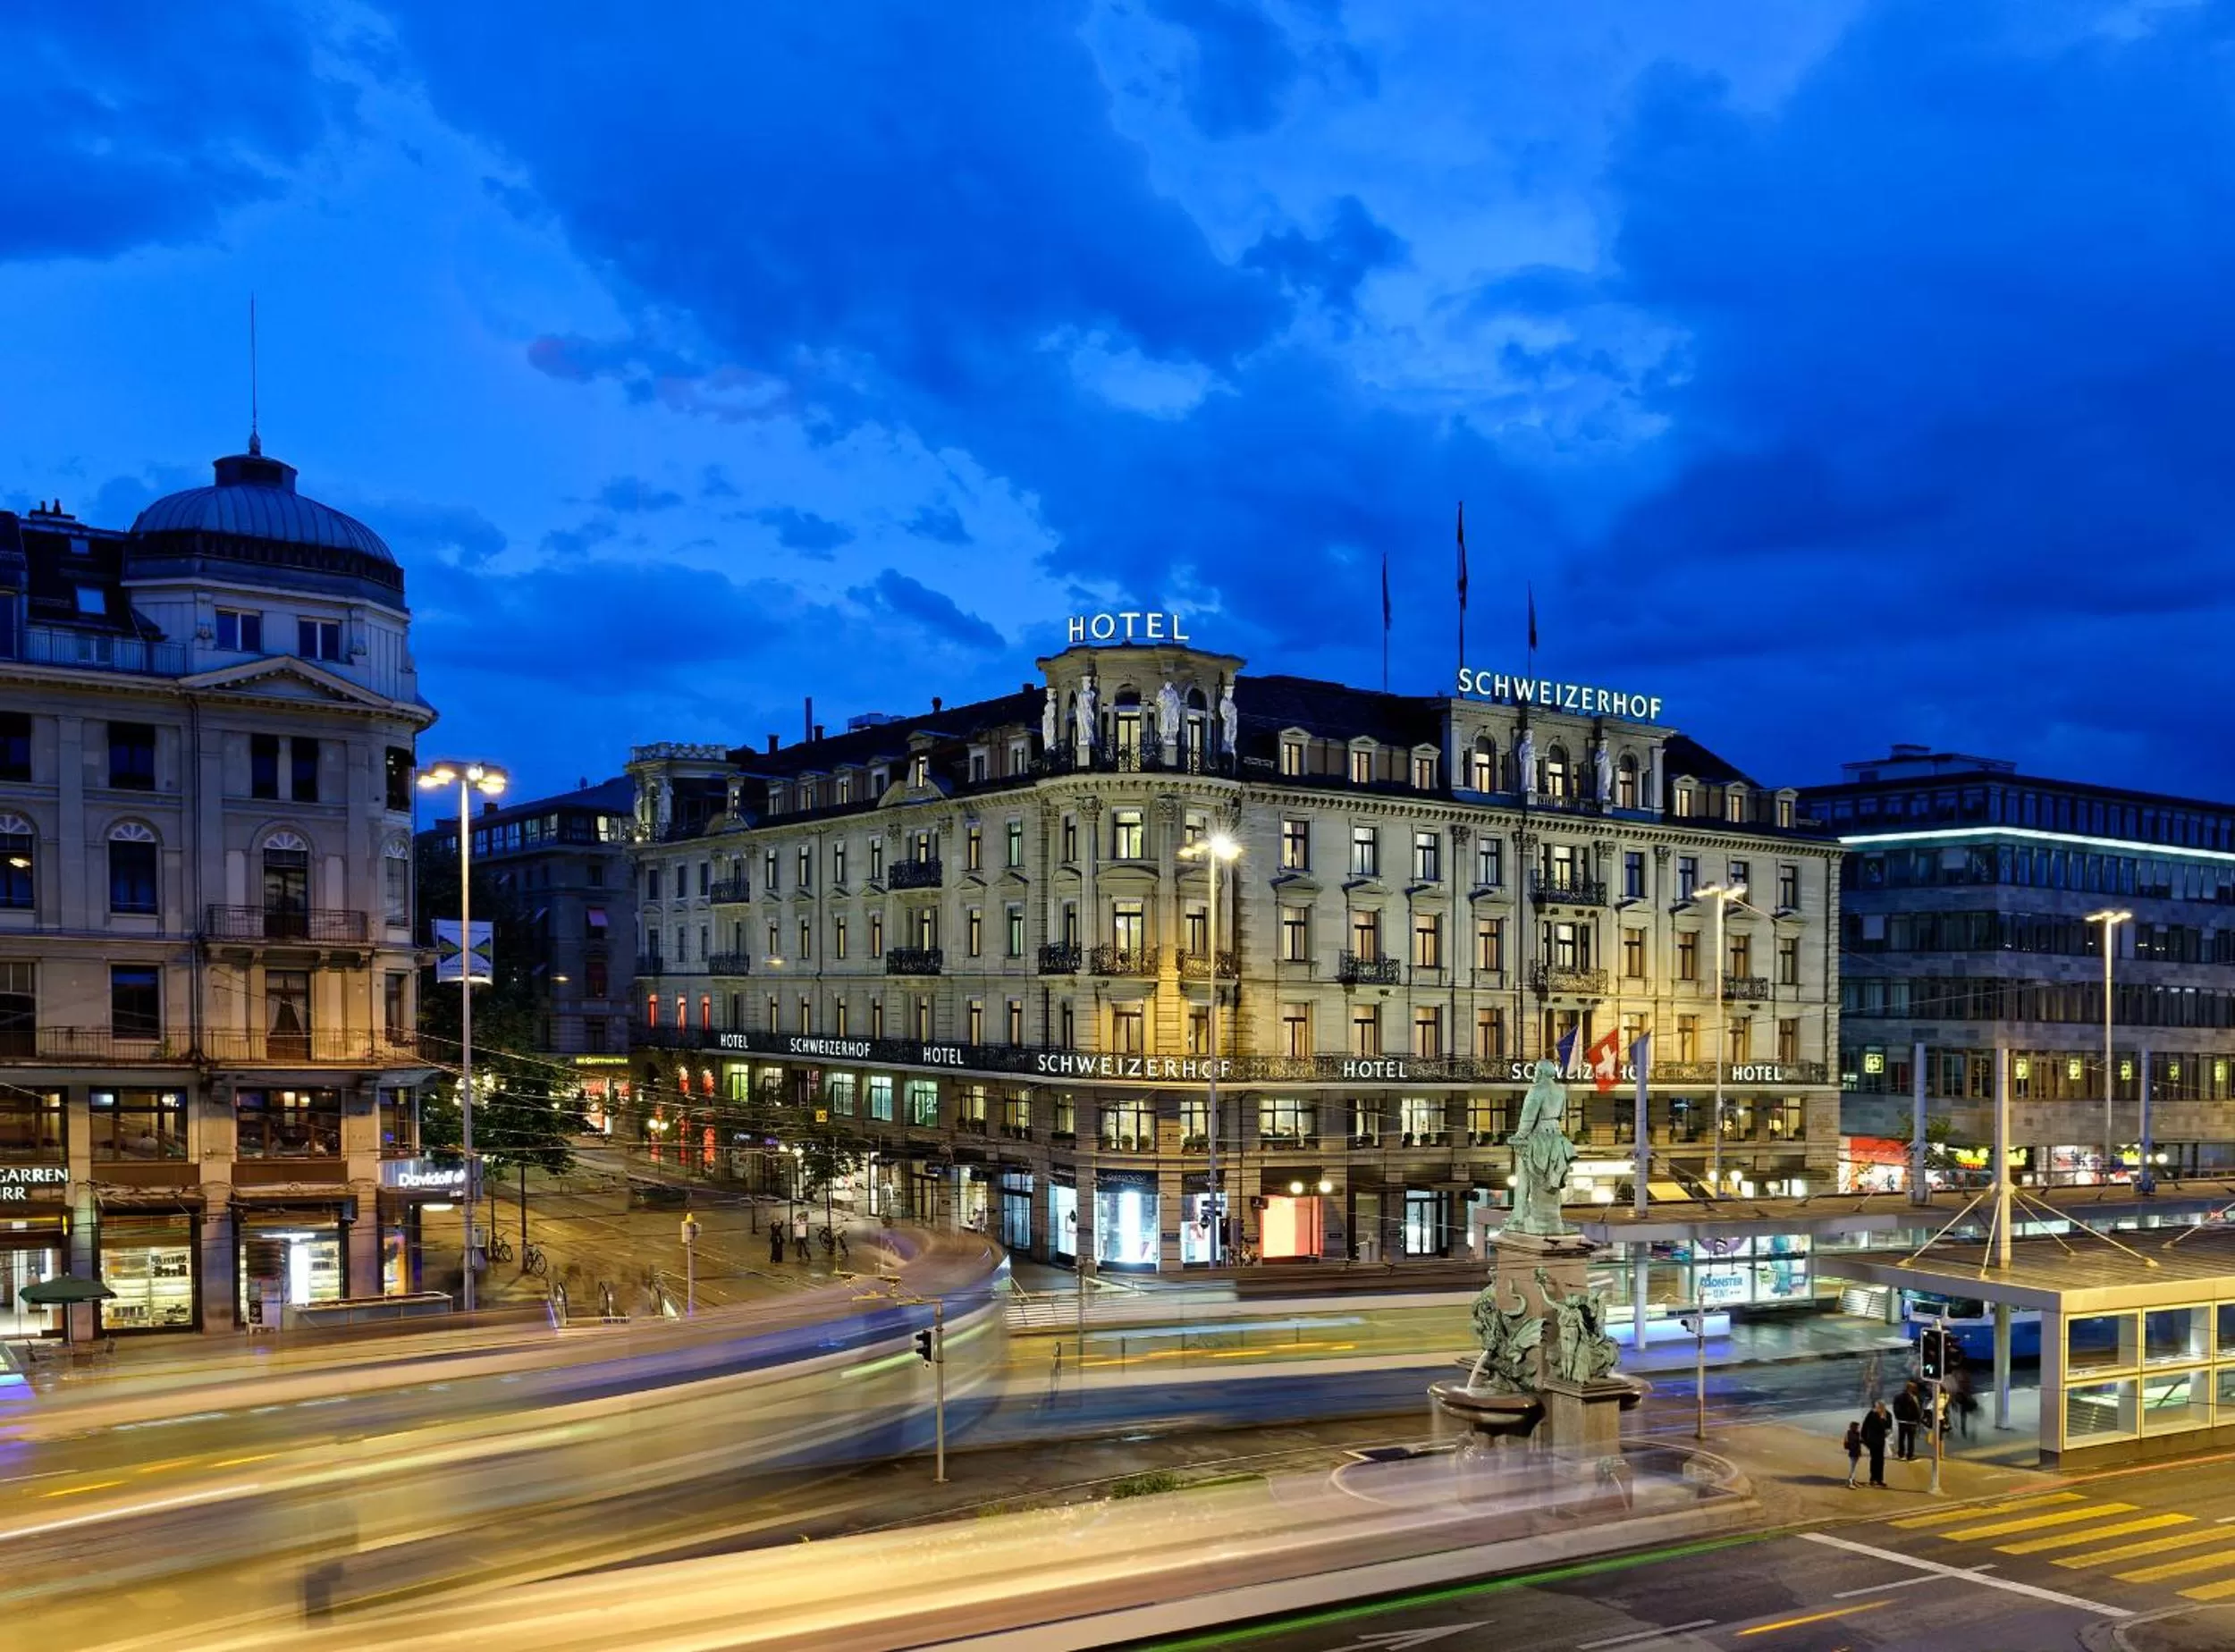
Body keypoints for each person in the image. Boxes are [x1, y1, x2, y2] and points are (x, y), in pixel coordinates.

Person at [1860, 1401, 1892, 1488]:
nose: (1877, 1408)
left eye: (1879, 1406)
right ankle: (1873, 1479)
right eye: (1876, 1406)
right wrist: (1863, 1438)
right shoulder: (1872, 1414)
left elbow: (1889, 1426)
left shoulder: (1887, 1415)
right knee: (1874, 1459)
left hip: (1881, 1440)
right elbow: (1865, 1425)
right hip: (1873, 1440)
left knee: (1881, 1460)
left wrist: (1884, 1421)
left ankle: (1880, 1479)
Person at [1893, 1381, 1922, 1462]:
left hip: (1901, 1421)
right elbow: (1917, 1410)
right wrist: (1918, 1420)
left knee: (1901, 1438)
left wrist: (1898, 1417)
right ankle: (1910, 1455)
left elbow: (1895, 1408)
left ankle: (1901, 1454)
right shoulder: (1914, 1398)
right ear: (1911, 1389)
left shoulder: (1898, 1397)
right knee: (1911, 1439)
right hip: (1911, 1422)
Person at [1843, 1417, 1864, 1488]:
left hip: (1856, 1452)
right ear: (1853, 1427)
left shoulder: (1857, 1433)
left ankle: (1853, 1481)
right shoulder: (1850, 1433)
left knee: (1854, 1467)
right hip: (1853, 1452)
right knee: (1853, 1468)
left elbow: (1860, 1442)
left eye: (1858, 1427)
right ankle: (1849, 1482)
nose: (1858, 1428)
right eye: (1857, 1427)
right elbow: (1846, 1444)